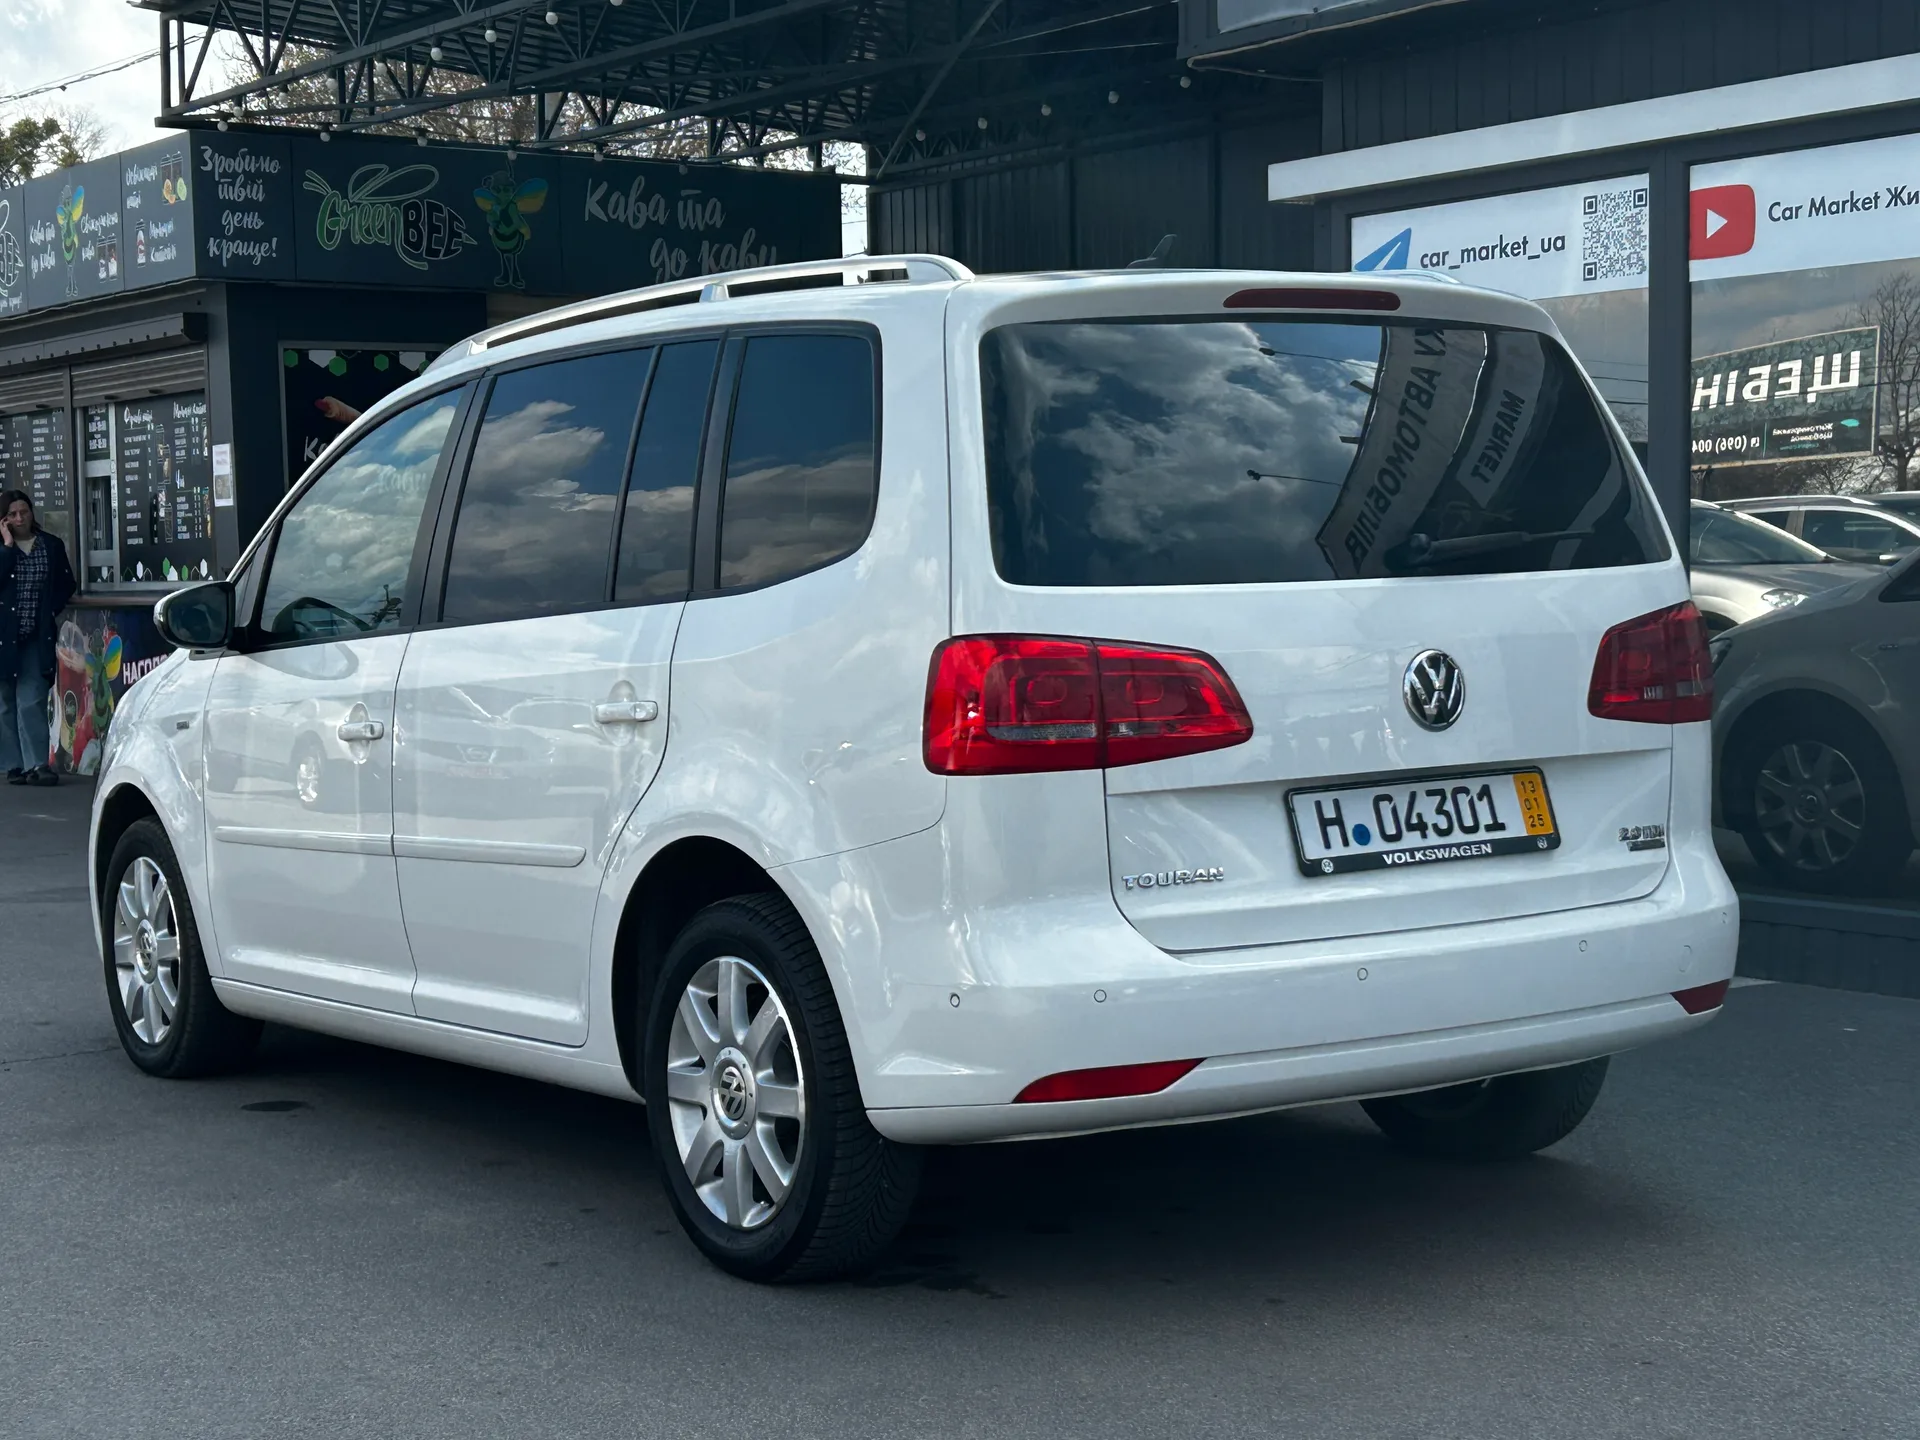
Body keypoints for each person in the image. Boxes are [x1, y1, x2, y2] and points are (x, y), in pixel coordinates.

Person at [0, 490, 77, 787]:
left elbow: (66, 583)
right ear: (4, 519)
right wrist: (7, 547)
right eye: (13, 514)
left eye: (25, 512)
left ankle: (37, 764)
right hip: (4, 636)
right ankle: (13, 765)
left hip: (36, 635)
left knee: (30, 698)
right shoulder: (3, 548)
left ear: (32, 513)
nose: (20, 519)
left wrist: (48, 612)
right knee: (5, 701)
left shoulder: (50, 546)